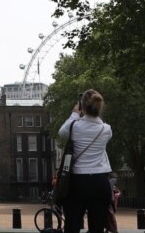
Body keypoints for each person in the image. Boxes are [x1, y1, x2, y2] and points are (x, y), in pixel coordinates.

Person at [58, 89, 114, 233]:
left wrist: (75, 113)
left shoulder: (74, 126)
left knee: (72, 225)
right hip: (100, 182)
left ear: (82, 107)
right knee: (97, 228)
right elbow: (97, 123)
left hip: (78, 182)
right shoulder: (106, 129)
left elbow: (61, 132)